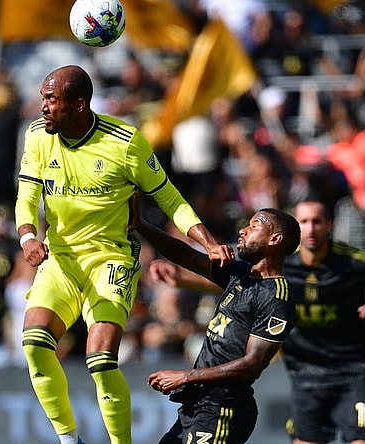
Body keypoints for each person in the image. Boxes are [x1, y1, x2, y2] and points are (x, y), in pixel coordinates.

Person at [14, 65, 234, 444]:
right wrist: (28, 237)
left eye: (52, 100)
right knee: (34, 343)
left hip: (111, 258)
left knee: (99, 360)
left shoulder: (125, 143)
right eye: (43, 99)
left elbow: (170, 199)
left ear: (79, 104)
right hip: (61, 259)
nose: (43, 108)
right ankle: (69, 440)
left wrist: (208, 242)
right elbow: (26, 195)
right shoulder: (37, 136)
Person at [134, 203, 301, 444]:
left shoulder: (277, 298)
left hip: (224, 408)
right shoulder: (241, 274)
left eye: (254, 226)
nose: (243, 230)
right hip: (198, 405)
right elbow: (188, 256)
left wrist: (185, 377)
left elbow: (252, 364)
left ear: (275, 239)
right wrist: (142, 226)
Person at [282, 198, 365, 444]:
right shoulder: (283, 266)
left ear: (329, 225)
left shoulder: (355, 262)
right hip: (305, 374)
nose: (310, 229)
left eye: (317, 222)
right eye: (304, 222)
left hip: (353, 373)